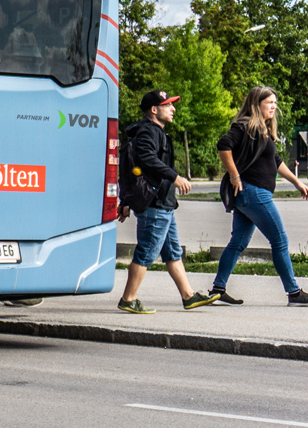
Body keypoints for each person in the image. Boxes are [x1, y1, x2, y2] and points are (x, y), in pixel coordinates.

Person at [117, 90, 220, 314]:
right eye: (168, 105)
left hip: (163, 204)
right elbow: (146, 160)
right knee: (146, 251)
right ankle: (128, 299)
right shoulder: (148, 132)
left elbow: (131, 169)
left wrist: (125, 200)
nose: (173, 109)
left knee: (173, 251)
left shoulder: (152, 131)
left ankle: (188, 296)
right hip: (155, 204)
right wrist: (175, 177)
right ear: (154, 110)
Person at [209, 86, 308, 306]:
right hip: (254, 193)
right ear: (256, 104)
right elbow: (223, 145)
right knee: (279, 240)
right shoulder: (245, 126)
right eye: (269, 102)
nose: (274, 106)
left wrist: (297, 182)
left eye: (275, 102)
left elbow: (276, 161)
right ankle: (294, 293)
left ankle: (218, 290)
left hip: (250, 194)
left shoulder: (262, 130)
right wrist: (234, 175)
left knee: (238, 242)